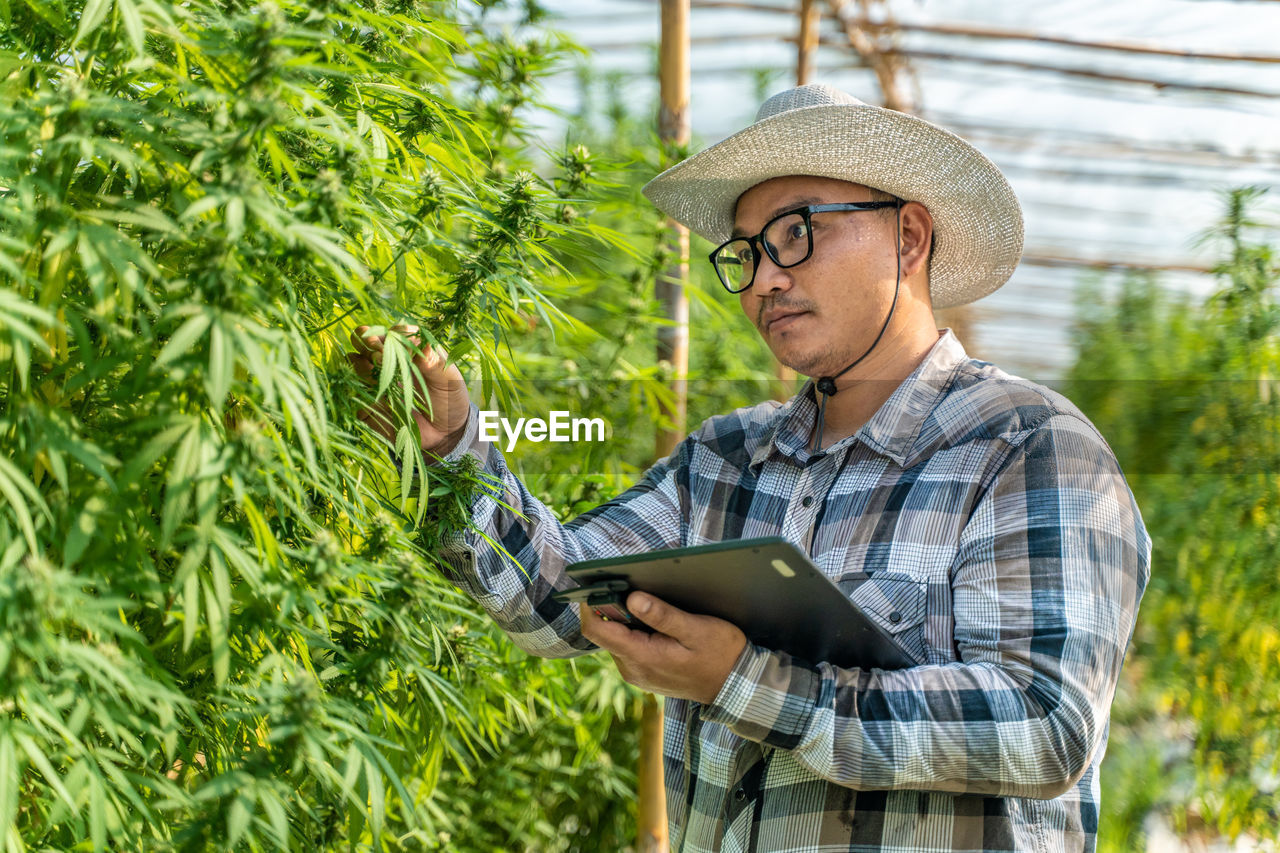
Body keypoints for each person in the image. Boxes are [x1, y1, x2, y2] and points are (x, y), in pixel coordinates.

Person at [348, 84, 1151, 853]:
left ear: (909, 237)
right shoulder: (726, 459)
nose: (765, 277)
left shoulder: (1029, 448)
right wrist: (453, 452)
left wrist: (745, 681)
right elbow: (563, 594)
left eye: (797, 231)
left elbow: (1044, 722)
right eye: (745, 253)